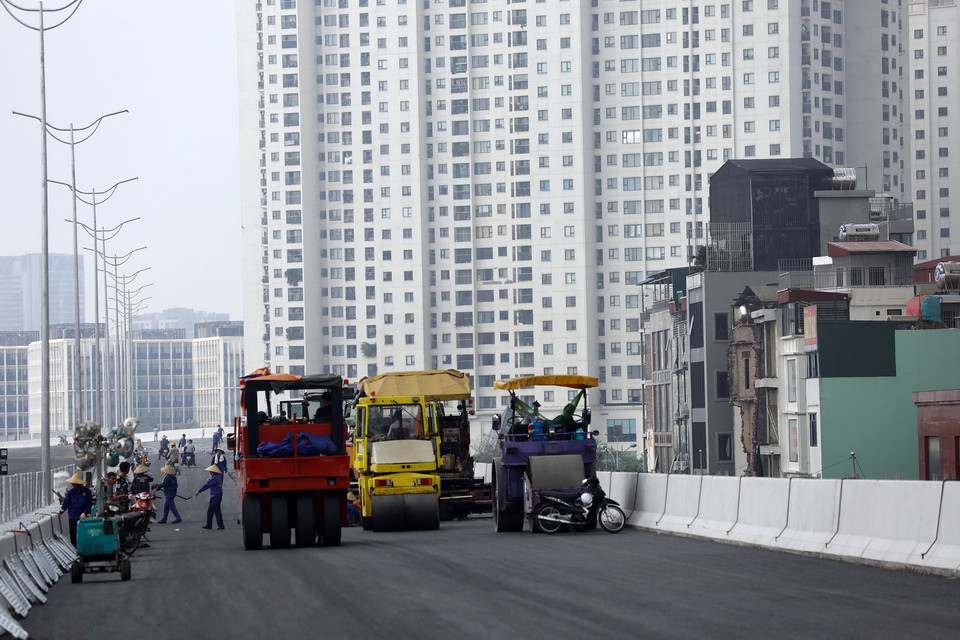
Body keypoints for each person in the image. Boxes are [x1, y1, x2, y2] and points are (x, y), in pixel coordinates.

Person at [59, 473, 93, 546]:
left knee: (84, 534)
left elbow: (89, 504)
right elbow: (66, 503)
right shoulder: (70, 493)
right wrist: (62, 509)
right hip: (73, 517)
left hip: (83, 517)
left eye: (75, 484)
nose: (74, 485)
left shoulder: (87, 491)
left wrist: (84, 513)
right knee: (74, 535)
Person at [195, 465, 225, 530]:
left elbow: (207, 485)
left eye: (210, 471)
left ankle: (221, 525)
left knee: (217, 511)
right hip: (216, 495)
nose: (210, 472)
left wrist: (199, 491)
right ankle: (209, 525)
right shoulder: (216, 477)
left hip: (216, 496)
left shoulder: (215, 478)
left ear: (213, 472)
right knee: (210, 511)